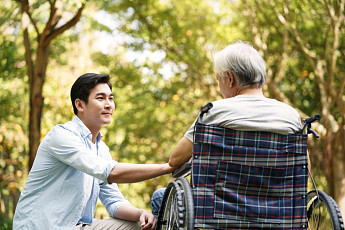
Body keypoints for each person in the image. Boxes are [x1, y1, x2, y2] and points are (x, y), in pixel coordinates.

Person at [151, 41, 302, 217]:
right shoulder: (291, 116)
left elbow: (175, 160)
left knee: (159, 197)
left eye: (218, 79)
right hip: (276, 209)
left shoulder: (214, 112)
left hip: (218, 210)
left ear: (229, 78)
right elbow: (303, 168)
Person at [13, 73, 174, 230]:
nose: (108, 104)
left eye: (111, 98)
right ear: (80, 105)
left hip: (78, 226)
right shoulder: (62, 136)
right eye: (100, 98)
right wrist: (167, 167)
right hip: (45, 226)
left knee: (142, 225)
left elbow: (114, 202)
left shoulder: (101, 149)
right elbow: (111, 173)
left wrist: (141, 213)